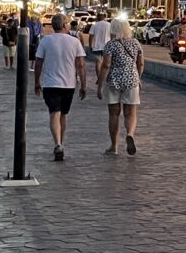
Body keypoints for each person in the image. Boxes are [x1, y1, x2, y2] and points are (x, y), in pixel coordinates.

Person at [33, 13, 86, 161]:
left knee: (54, 113)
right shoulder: (74, 42)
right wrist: (83, 84)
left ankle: (58, 144)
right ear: (65, 25)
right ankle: (60, 143)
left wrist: (37, 82)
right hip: (69, 84)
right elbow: (81, 65)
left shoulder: (45, 41)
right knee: (63, 114)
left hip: (50, 84)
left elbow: (38, 63)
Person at [97, 16, 145, 156]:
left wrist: (100, 85)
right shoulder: (135, 43)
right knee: (130, 112)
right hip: (132, 80)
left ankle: (114, 146)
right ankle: (130, 133)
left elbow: (106, 65)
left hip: (114, 81)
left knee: (114, 114)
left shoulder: (111, 44)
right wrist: (138, 77)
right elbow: (141, 63)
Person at [89, 12, 111, 84]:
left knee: (98, 62)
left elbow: (91, 36)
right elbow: (112, 35)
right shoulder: (109, 25)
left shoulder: (94, 25)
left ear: (97, 17)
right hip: (107, 47)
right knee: (107, 63)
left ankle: (99, 78)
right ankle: (104, 78)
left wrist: (90, 45)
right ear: (104, 17)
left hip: (97, 46)